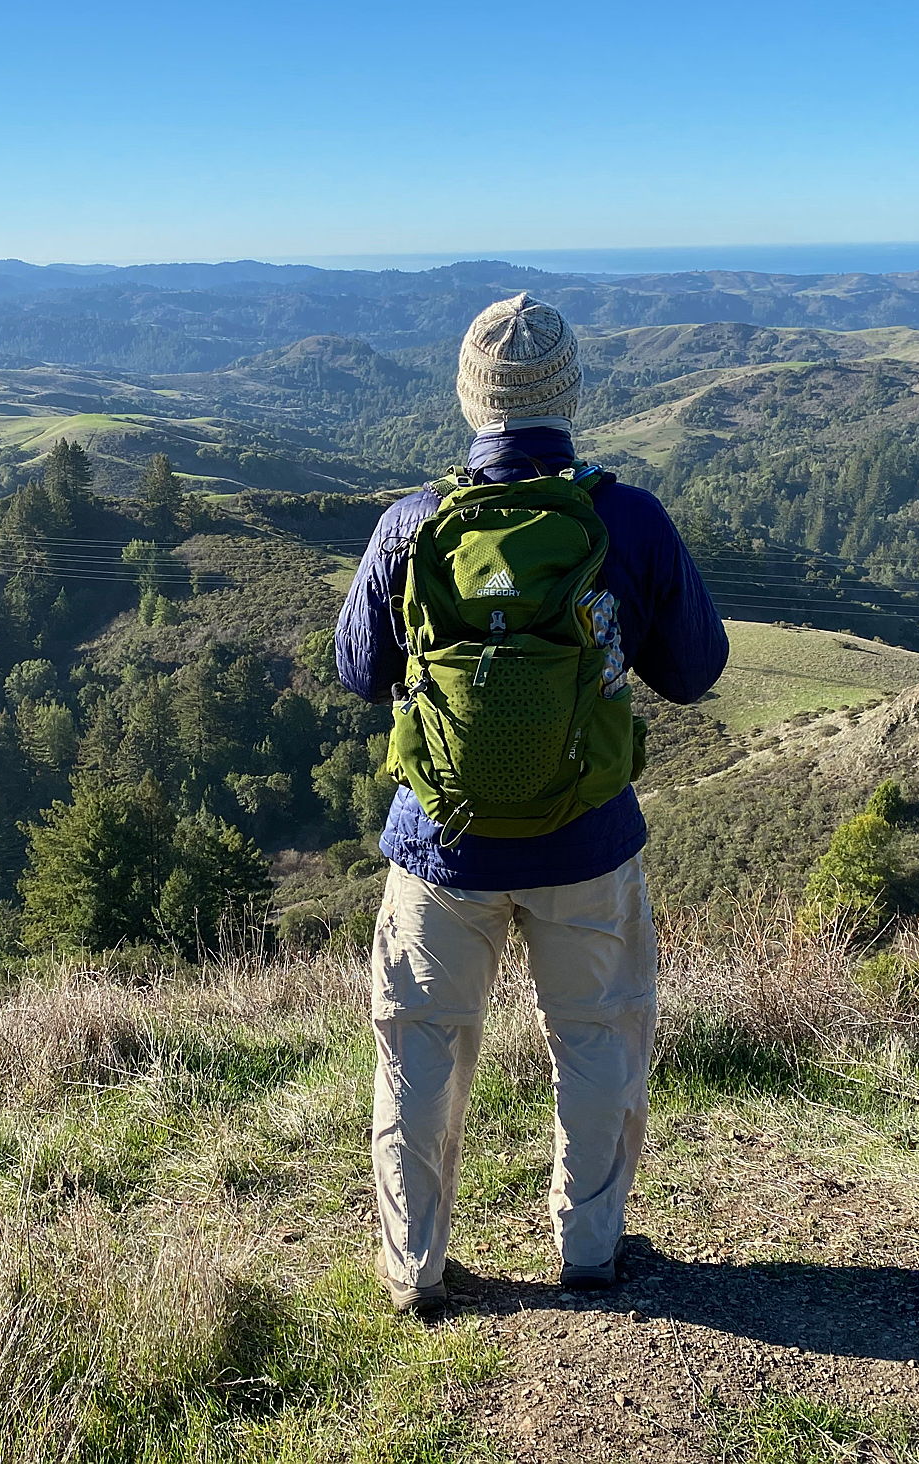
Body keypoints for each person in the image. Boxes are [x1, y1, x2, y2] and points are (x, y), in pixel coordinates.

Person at [334, 293, 728, 1319]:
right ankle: (587, 1250)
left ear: (472, 398)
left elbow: (354, 669)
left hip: (439, 844)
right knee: (596, 1038)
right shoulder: (623, 519)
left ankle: (412, 1270)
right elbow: (694, 673)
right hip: (585, 841)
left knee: (419, 1048)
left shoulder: (413, 523)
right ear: (567, 395)